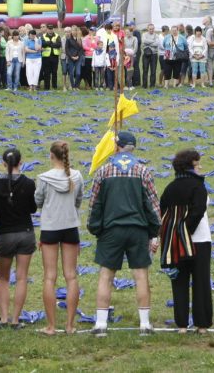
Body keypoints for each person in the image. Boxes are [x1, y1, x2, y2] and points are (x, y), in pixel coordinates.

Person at [87, 132, 161, 337]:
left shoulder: (104, 171)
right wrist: (155, 231)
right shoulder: (143, 171)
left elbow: (95, 204)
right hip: (137, 229)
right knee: (140, 276)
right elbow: (153, 205)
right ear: (133, 148)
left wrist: (95, 227)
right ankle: (145, 325)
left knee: (106, 276)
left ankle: (101, 325)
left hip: (111, 230)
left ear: (116, 146)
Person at [159, 149, 212, 334]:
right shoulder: (198, 186)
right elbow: (197, 211)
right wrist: (186, 231)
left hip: (175, 242)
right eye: (198, 164)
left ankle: (181, 324)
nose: (200, 167)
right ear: (191, 165)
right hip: (199, 240)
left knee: (179, 281)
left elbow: (163, 212)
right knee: (201, 282)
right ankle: (202, 324)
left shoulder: (170, 187)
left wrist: (177, 233)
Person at [35, 141, 84, 335]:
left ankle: (51, 326)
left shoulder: (43, 178)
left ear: (51, 156)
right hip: (70, 226)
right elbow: (78, 200)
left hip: (50, 227)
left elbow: (38, 201)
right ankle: (70, 325)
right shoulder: (77, 176)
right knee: (71, 276)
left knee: (49, 276)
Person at [0, 147, 37, 330]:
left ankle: (3, 318)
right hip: (25, 233)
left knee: (3, 278)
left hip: (5, 234)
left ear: (3, 163)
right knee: (22, 277)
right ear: (21, 163)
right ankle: (16, 320)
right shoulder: (29, 183)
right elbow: (33, 209)